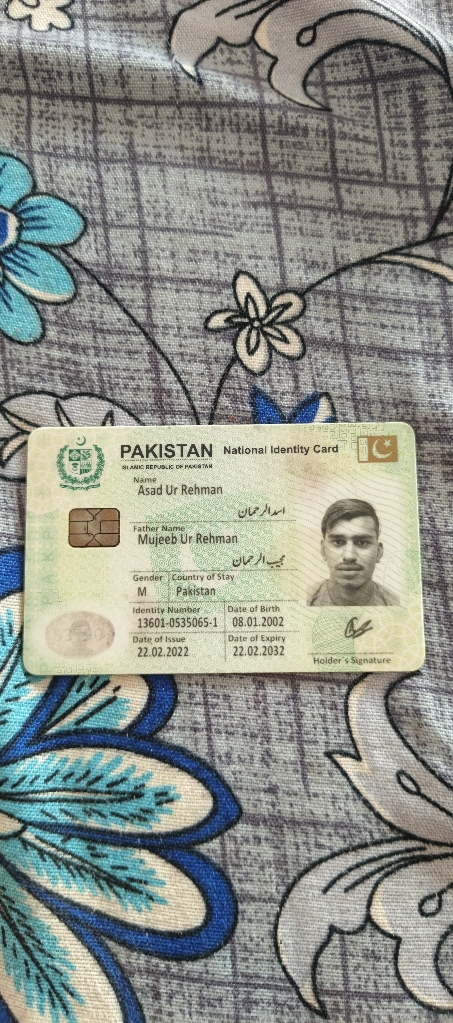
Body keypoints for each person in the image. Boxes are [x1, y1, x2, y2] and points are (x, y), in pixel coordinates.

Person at [308, 498, 400, 606]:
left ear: (378, 552)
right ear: (323, 550)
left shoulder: (397, 604)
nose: (349, 556)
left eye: (362, 543)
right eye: (338, 542)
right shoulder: (303, 601)